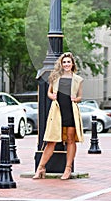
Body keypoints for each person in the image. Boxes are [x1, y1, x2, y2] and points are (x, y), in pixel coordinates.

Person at [33, 52, 84, 180]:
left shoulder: (78, 79)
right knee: (51, 140)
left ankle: (67, 169)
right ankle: (41, 168)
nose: (66, 64)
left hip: (70, 112)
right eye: (64, 62)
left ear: (72, 64)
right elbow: (49, 93)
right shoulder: (55, 77)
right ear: (61, 64)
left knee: (71, 140)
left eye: (68, 62)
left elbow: (80, 97)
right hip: (57, 112)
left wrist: (76, 99)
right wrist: (52, 96)